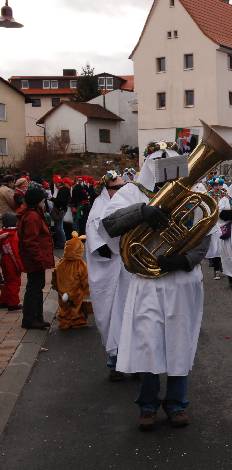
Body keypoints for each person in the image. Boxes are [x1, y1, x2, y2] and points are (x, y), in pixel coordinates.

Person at [101, 145, 211, 430]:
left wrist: (183, 260)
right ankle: (147, 406)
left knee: (179, 342)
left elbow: (204, 232)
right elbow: (109, 224)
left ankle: (177, 404)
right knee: (148, 343)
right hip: (147, 281)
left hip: (181, 280)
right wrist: (141, 212)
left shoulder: (194, 192)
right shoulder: (131, 193)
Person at [85, 171, 128, 381]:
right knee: (112, 317)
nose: (120, 191)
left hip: (126, 274)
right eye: (116, 188)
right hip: (109, 275)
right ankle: (115, 362)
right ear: (106, 190)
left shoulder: (124, 205)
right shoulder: (98, 211)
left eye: (122, 187)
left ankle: (131, 361)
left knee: (130, 316)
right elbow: (101, 248)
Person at [17, 187, 54, 330]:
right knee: (34, 288)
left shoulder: (34, 214)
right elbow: (30, 242)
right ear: (37, 201)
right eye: (43, 200)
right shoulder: (32, 217)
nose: (44, 202)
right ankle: (31, 319)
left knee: (37, 287)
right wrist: (39, 259)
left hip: (35, 260)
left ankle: (37, 317)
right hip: (34, 260)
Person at [52, 231, 90, 330]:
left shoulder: (61, 263)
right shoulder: (80, 264)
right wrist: (87, 290)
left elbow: (55, 274)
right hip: (76, 291)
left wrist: (55, 285)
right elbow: (84, 278)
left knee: (64, 307)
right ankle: (76, 320)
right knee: (76, 306)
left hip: (62, 291)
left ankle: (64, 321)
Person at [0, 213, 23, 310]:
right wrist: (20, 266)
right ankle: (13, 303)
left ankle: (4, 300)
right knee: (14, 282)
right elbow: (15, 254)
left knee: (7, 282)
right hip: (12, 262)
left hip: (4, 260)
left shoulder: (2, 234)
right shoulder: (13, 236)